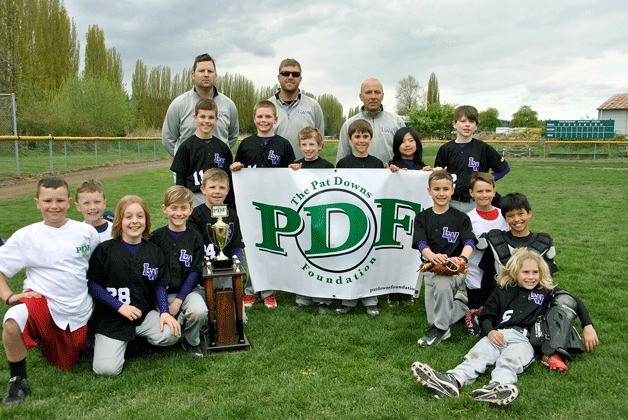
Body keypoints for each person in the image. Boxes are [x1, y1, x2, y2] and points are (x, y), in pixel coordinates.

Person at [411, 248, 598, 406]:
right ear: (515, 272)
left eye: (535, 272)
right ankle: (452, 380)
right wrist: (490, 332)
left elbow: (573, 301)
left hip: (524, 339)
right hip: (498, 334)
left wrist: (587, 325)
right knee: (476, 357)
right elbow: (486, 315)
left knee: (510, 362)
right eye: (526, 272)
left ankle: (497, 388)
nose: (531, 277)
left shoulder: (545, 291)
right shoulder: (503, 291)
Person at [0, 177, 100, 406]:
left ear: (69, 202)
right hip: (41, 301)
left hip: (76, 308)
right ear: (37, 202)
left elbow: (97, 268)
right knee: (12, 321)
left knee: (66, 362)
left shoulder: (85, 233)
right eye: (47, 200)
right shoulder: (26, 236)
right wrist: (9, 296)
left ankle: (46, 340)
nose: (54, 206)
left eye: (59, 200)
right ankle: (18, 379)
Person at [476, 192, 594, 370]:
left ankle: (552, 350)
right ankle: (547, 347)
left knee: (564, 301)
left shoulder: (543, 241)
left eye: (521, 213)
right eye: (511, 215)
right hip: (504, 301)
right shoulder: (495, 239)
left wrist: (588, 325)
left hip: (535, 302)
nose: (517, 219)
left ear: (529, 213)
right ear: (505, 218)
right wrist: (483, 306)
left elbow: (549, 282)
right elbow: (487, 275)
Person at [87, 195, 180, 376]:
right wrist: (119, 306)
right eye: (128, 217)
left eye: (140, 216)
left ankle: (135, 340)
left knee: (171, 333)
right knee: (106, 370)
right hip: (112, 319)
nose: (135, 221)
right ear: (120, 220)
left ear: (146, 219)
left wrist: (165, 312)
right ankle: (117, 343)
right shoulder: (105, 250)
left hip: (143, 315)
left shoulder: (154, 251)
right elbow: (93, 285)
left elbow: (161, 285)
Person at [230, 100, 295, 309]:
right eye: (260, 116)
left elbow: (290, 174)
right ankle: (252, 290)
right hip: (249, 204)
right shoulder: (246, 144)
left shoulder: (283, 144)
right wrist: (236, 167)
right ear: (254, 119)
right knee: (252, 245)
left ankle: (268, 290)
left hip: (274, 203)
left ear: (275, 120)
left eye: (268, 117)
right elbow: (237, 171)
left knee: (270, 246)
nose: (264, 120)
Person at [412, 170, 475, 346]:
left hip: (455, 270)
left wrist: (462, 258)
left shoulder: (461, 217)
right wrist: (432, 256)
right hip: (431, 268)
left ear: (452, 190)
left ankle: (441, 330)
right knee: (432, 319)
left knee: (442, 284)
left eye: (446, 189)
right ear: (429, 191)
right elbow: (420, 243)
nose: (441, 193)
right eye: (437, 189)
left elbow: (470, 241)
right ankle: (461, 306)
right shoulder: (422, 217)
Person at [334, 120, 383, 317]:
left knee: (369, 257)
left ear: (370, 138)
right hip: (350, 216)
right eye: (357, 137)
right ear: (350, 139)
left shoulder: (377, 164)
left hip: (370, 216)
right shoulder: (343, 164)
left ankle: (371, 299)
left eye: (365, 136)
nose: (361, 140)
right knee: (349, 258)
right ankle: (348, 299)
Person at [149, 186, 206, 357]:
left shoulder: (195, 237)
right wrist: (164, 306)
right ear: (165, 209)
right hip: (162, 292)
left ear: (191, 210)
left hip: (188, 291)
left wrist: (178, 301)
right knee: (162, 325)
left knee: (198, 311)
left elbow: (195, 272)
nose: (178, 213)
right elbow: (156, 276)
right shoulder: (155, 238)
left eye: (183, 208)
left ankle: (191, 341)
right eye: (173, 208)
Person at [288, 127, 334, 314]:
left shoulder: (328, 167)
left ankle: (323, 299)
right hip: (301, 220)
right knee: (302, 257)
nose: (308, 148)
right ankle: (303, 297)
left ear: (320, 146)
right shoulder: (295, 167)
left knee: (322, 259)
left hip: (322, 218)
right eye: (304, 145)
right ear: (299, 146)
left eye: (312, 144)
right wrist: (291, 171)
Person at [434, 105, 510, 212]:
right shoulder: (445, 149)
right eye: (463, 121)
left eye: (471, 121)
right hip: (451, 202)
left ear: (476, 126)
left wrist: (487, 180)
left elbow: (504, 168)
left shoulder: (483, 148)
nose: (467, 125)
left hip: (475, 202)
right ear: (454, 124)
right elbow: (437, 177)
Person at [386, 126, 432, 305]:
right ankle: (392, 290)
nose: (407, 145)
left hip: (416, 218)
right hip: (394, 217)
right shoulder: (391, 166)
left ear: (417, 144)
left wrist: (429, 174)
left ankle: (408, 290)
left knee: (412, 253)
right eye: (403, 141)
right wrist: (391, 173)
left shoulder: (423, 168)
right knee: (394, 252)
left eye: (411, 141)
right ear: (397, 145)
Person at [162, 53, 239, 156]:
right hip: (188, 170)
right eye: (201, 71)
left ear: (215, 76)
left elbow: (233, 136)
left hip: (218, 169)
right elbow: (168, 138)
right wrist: (184, 159)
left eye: (210, 71)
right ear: (193, 75)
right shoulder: (178, 105)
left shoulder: (229, 105)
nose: (206, 74)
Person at [188, 168, 245, 291]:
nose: (217, 192)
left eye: (222, 188)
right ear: (203, 189)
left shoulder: (232, 215)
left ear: (228, 191)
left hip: (227, 272)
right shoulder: (195, 215)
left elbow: (236, 247)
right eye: (212, 187)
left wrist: (237, 271)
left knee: (232, 308)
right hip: (203, 272)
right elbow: (193, 249)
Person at [170, 98, 234, 207]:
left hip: (217, 197)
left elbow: (229, 178)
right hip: (193, 196)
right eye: (202, 116)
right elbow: (180, 178)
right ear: (195, 118)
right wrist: (182, 201)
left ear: (216, 119)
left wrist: (230, 204)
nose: (206, 121)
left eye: (211, 117)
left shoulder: (222, 148)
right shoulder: (186, 146)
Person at [464, 172, 509, 314]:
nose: (484, 195)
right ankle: (463, 299)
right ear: (471, 193)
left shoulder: (504, 216)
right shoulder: (468, 219)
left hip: (503, 273)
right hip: (477, 274)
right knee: (479, 313)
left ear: (494, 192)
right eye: (479, 191)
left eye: (488, 191)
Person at [336, 78, 405, 165]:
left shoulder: (397, 122)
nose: (373, 97)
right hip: (357, 177)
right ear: (361, 96)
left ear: (382, 96)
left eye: (377, 92)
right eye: (368, 92)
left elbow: (407, 156)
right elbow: (342, 160)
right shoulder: (348, 125)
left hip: (390, 177)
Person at [268, 58, 324, 160]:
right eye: (285, 73)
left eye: (295, 74)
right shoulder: (268, 106)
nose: (290, 77)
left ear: (300, 78)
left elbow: (320, 139)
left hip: (305, 169)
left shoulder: (313, 105)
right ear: (279, 77)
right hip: (275, 169)